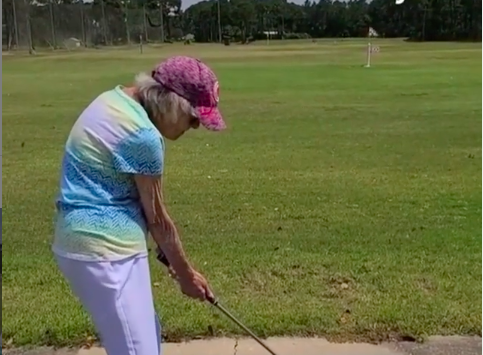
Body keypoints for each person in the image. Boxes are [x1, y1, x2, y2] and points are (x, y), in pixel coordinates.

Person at [52, 56, 226, 355]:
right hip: (105, 251)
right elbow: (158, 220)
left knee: (145, 336)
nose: (196, 126)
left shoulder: (113, 99)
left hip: (82, 243)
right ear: (171, 102)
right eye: (194, 116)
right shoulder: (142, 135)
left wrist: (177, 263)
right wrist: (186, 276)